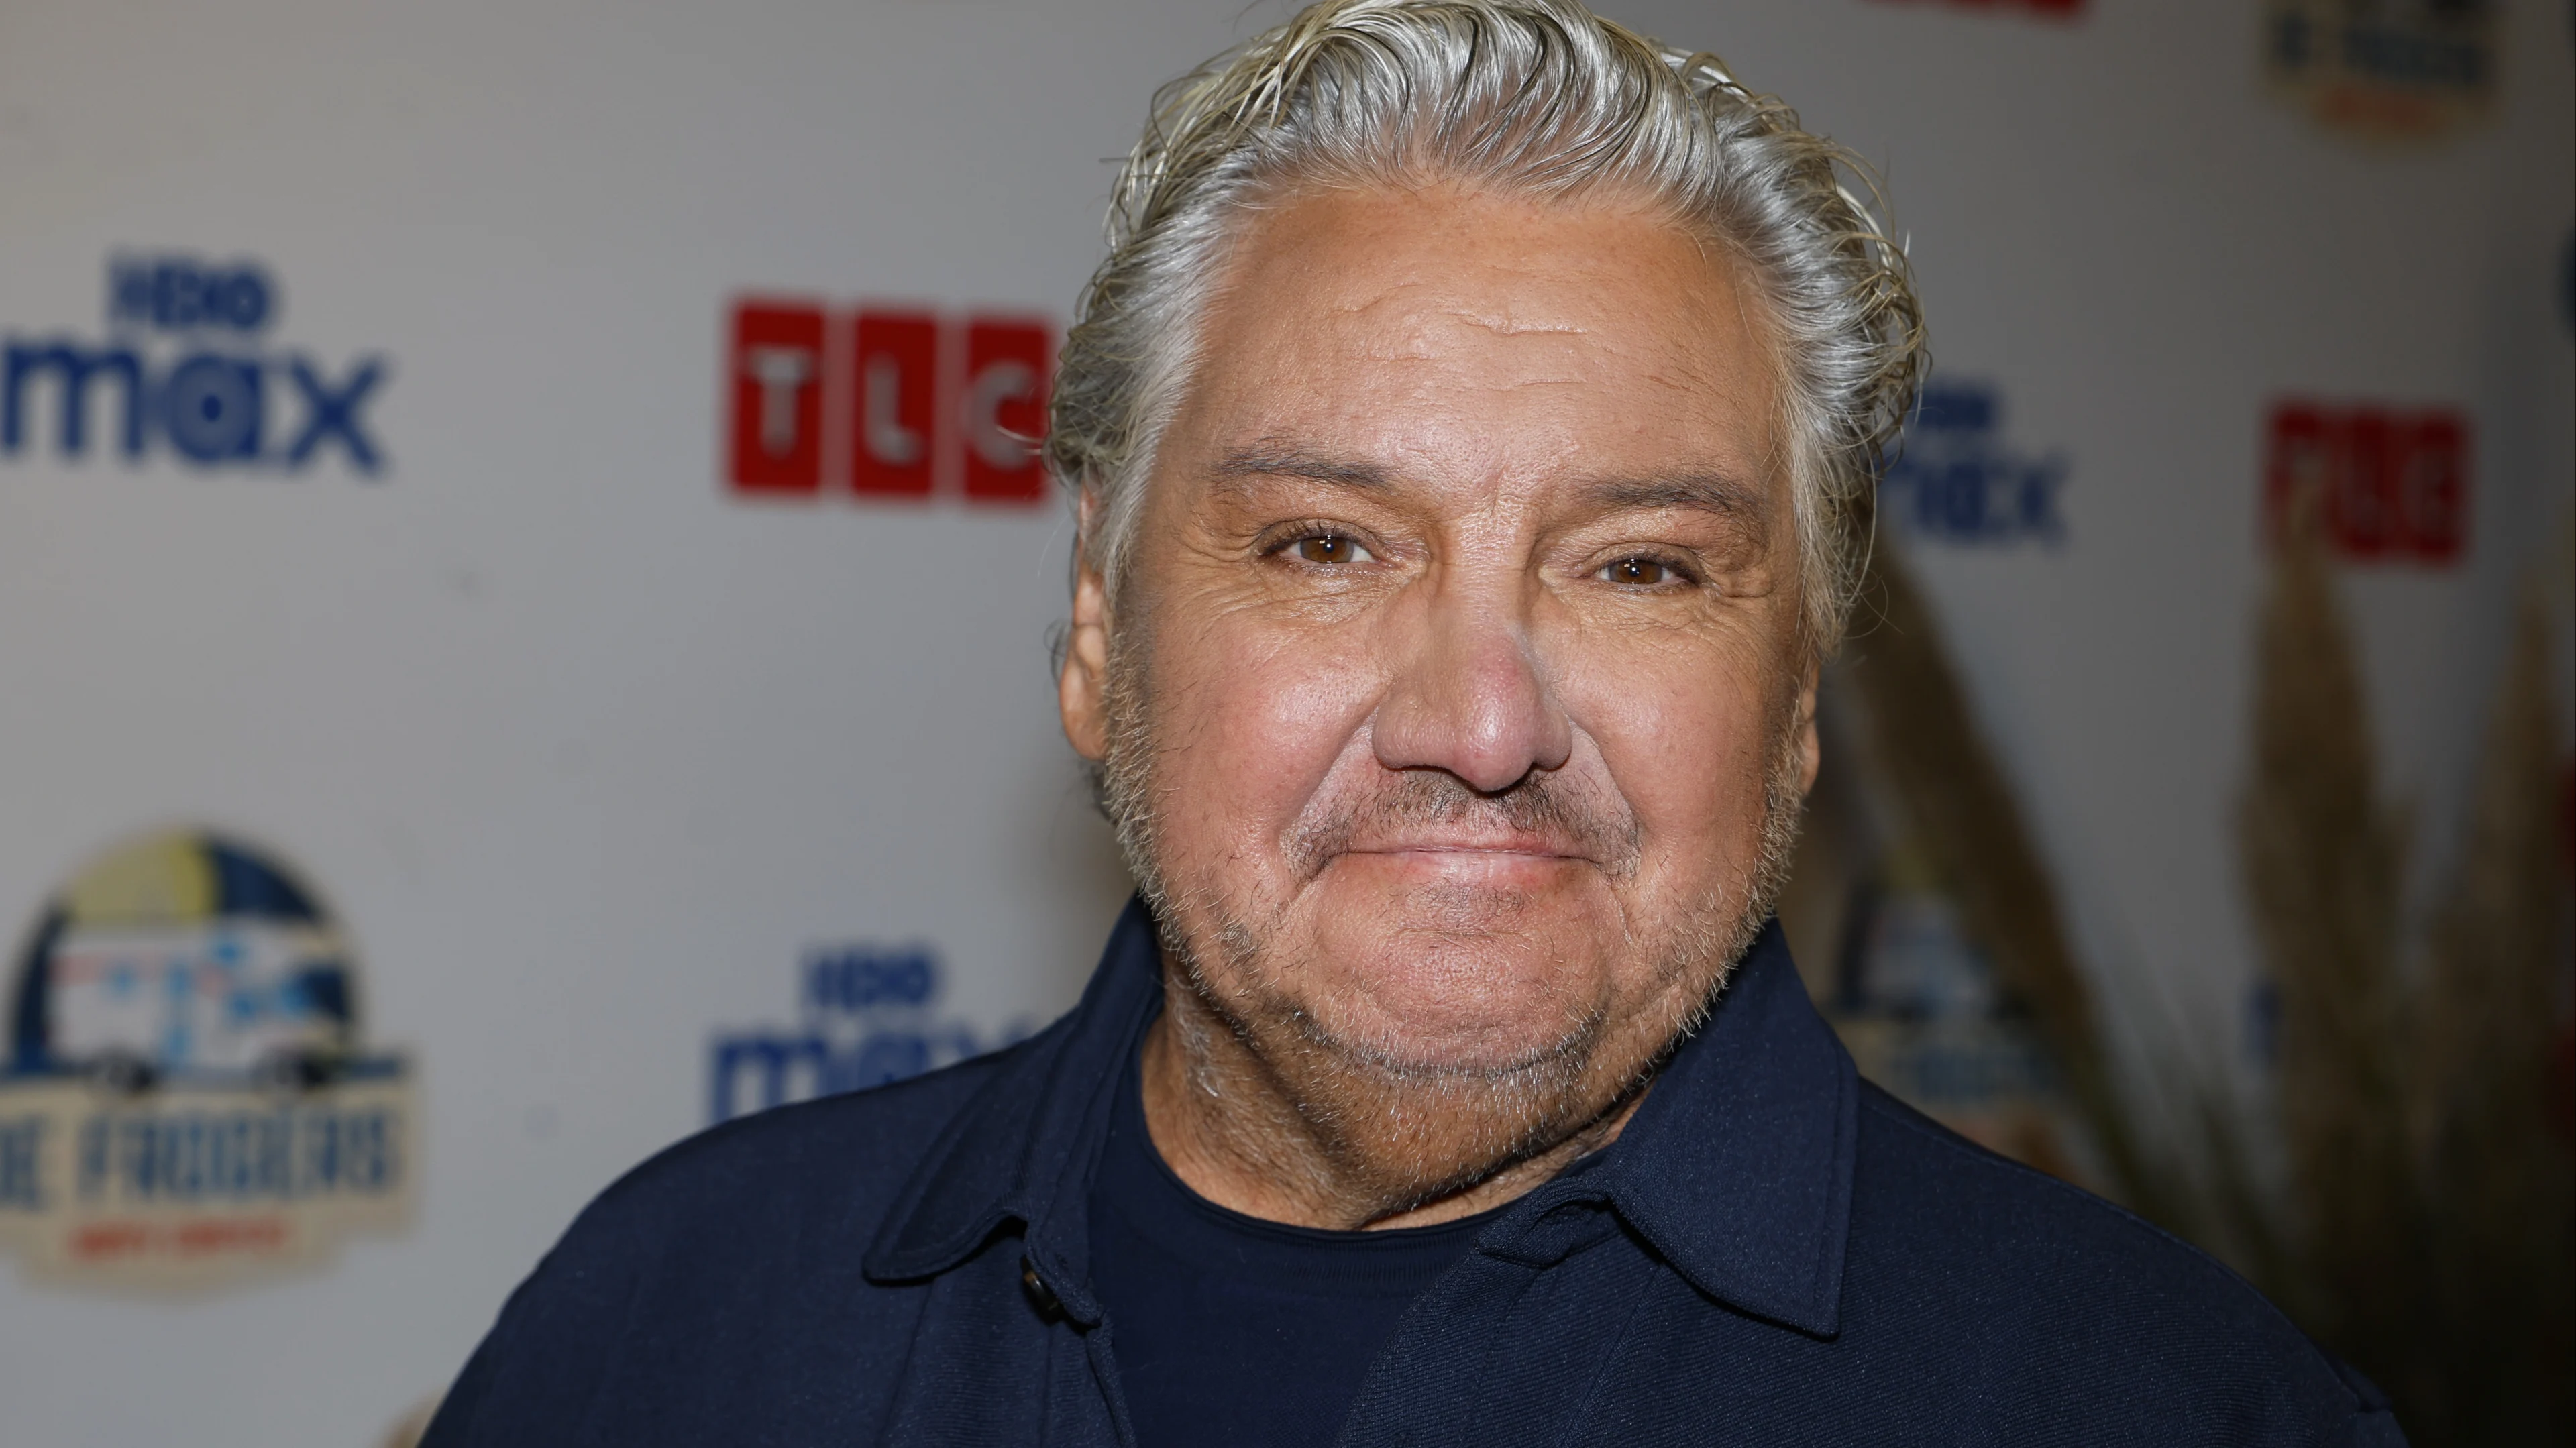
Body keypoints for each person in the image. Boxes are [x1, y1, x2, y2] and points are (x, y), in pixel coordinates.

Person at [423, 3, 2403, 1443]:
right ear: (1101, 627)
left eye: (1641, 566)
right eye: (1325, 544)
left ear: (1799, 698)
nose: (1483, 718)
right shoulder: (669, 1325)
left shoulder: (2167, 1409)